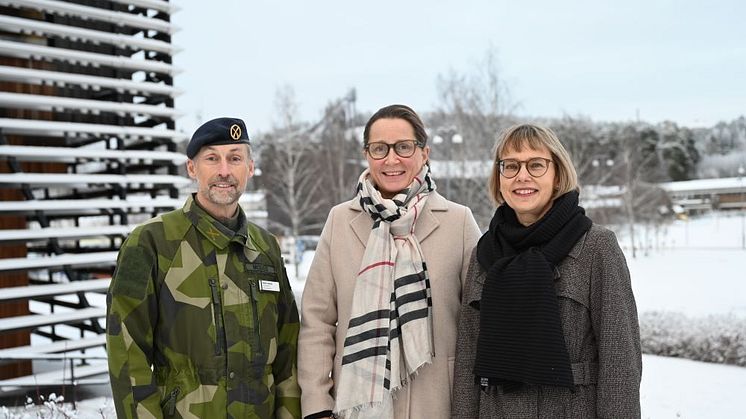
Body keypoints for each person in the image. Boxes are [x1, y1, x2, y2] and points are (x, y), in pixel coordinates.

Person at [106, 117, 301, 419]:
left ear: (250, 168)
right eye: (212, 158)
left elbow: (288, 355)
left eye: (235, 158)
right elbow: (128, 357)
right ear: (192, 168)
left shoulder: (265, 248)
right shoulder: (150, 243)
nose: (224, 170)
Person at [298, 104, 481, 419]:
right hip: (356, 407)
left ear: (425, 153)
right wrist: (317, 405)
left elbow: (479, 322)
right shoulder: (341, 220)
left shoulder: (458, 222)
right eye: (379, 148)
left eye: (404, 147)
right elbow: (317, 321)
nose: (392, 159)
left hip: (438, 403)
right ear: (367, 154)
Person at [451, 123, 642, 418]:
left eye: (536, 165)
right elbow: (468, 360)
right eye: (510, 166)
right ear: (499, 178)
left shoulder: (596, 246)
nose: (522, 176)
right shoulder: (485, 252)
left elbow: (620, 360)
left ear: (557, 175)